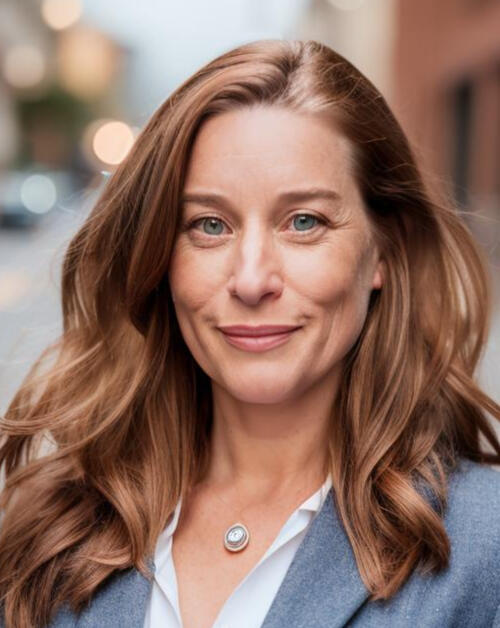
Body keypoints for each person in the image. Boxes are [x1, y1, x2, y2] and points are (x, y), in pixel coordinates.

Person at [0, 38, 499, 628]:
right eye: (210, 225)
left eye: (304, 222)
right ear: (162, 256)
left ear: (383, 249)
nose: (252, 279)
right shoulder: (48, 526)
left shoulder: (482, 548)